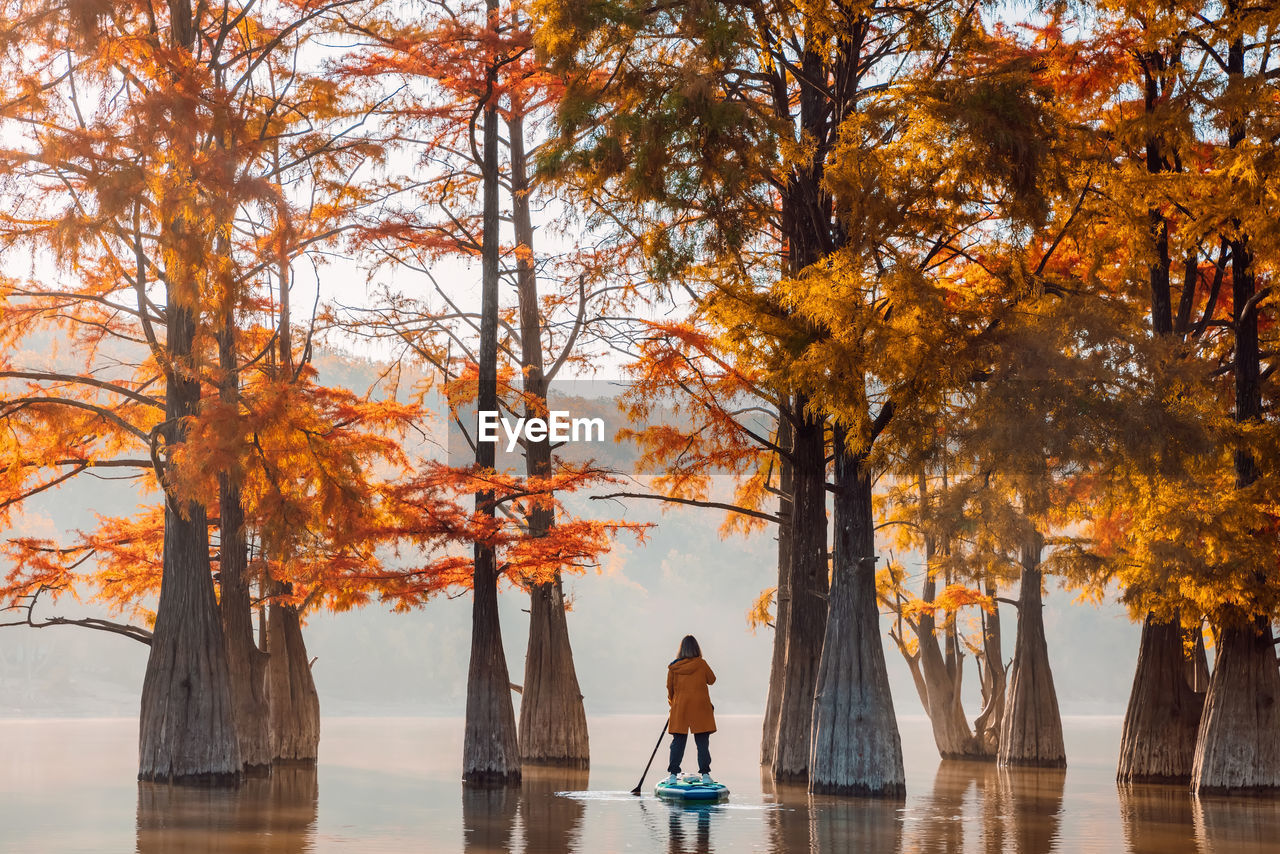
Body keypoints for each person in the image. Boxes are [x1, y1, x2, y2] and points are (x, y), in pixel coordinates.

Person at [664, 634, 717, 785]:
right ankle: (705, 776)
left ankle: (673, 776)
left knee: (678, 742)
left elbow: (670, 690)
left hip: (680, 708)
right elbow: (712, 680)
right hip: (700, 708)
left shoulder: (674, 667)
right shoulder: (701, 664)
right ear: (696, 648)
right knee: (702, 743)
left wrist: (673, 705)